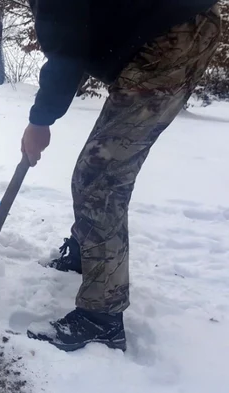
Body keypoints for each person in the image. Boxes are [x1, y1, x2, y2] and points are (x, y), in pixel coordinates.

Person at [21, 0, 221, 352]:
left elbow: (66, 54)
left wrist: (40, 122)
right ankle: (87, 250)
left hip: (170, 34)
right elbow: (77, 39)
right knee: (101, 170)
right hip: (178, 25)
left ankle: (101, 318)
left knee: (98, 179)